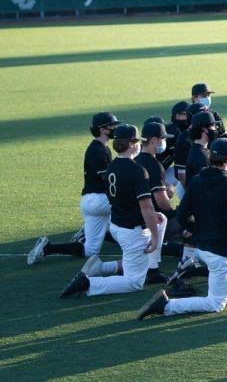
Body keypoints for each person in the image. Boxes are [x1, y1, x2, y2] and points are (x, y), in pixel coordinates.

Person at [137, 138, 227, 319]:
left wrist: (196, 229)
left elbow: (182, 214)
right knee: (216, 303)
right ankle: (166, 305)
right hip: (220, 253)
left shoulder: (197, 180)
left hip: (201, 247)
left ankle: (191, 266)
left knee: (214, 264)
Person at [60, 124, 167, 298]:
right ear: (132, 144)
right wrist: (155, 238)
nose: (140, 144)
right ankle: (88, 283)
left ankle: (100, 267)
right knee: (134, 282)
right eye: (137, 141)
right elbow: (146, 206)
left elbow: (121, 199)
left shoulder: (112, 165)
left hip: (117, 226)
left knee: (134, 259)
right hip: (131, 230)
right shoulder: (138, 170)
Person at [28, 112, 122, 265]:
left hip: (90, 202)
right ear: (103, 129)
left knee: (90, 251)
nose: (115, 128)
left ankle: (48, 248)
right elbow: (109, 180)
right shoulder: (98, 150)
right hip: (98, 200)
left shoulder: (101, 148)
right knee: (131, 203)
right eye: (112, 126)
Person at [134, 121, 182, 268]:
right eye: (163, 138)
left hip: (135, 217)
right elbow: (161, 201)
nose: (165, 142)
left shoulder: (135, 160)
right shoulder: (154, 164)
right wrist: (171, 201)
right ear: (155, 140)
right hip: (154, 218)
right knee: (188, 220)